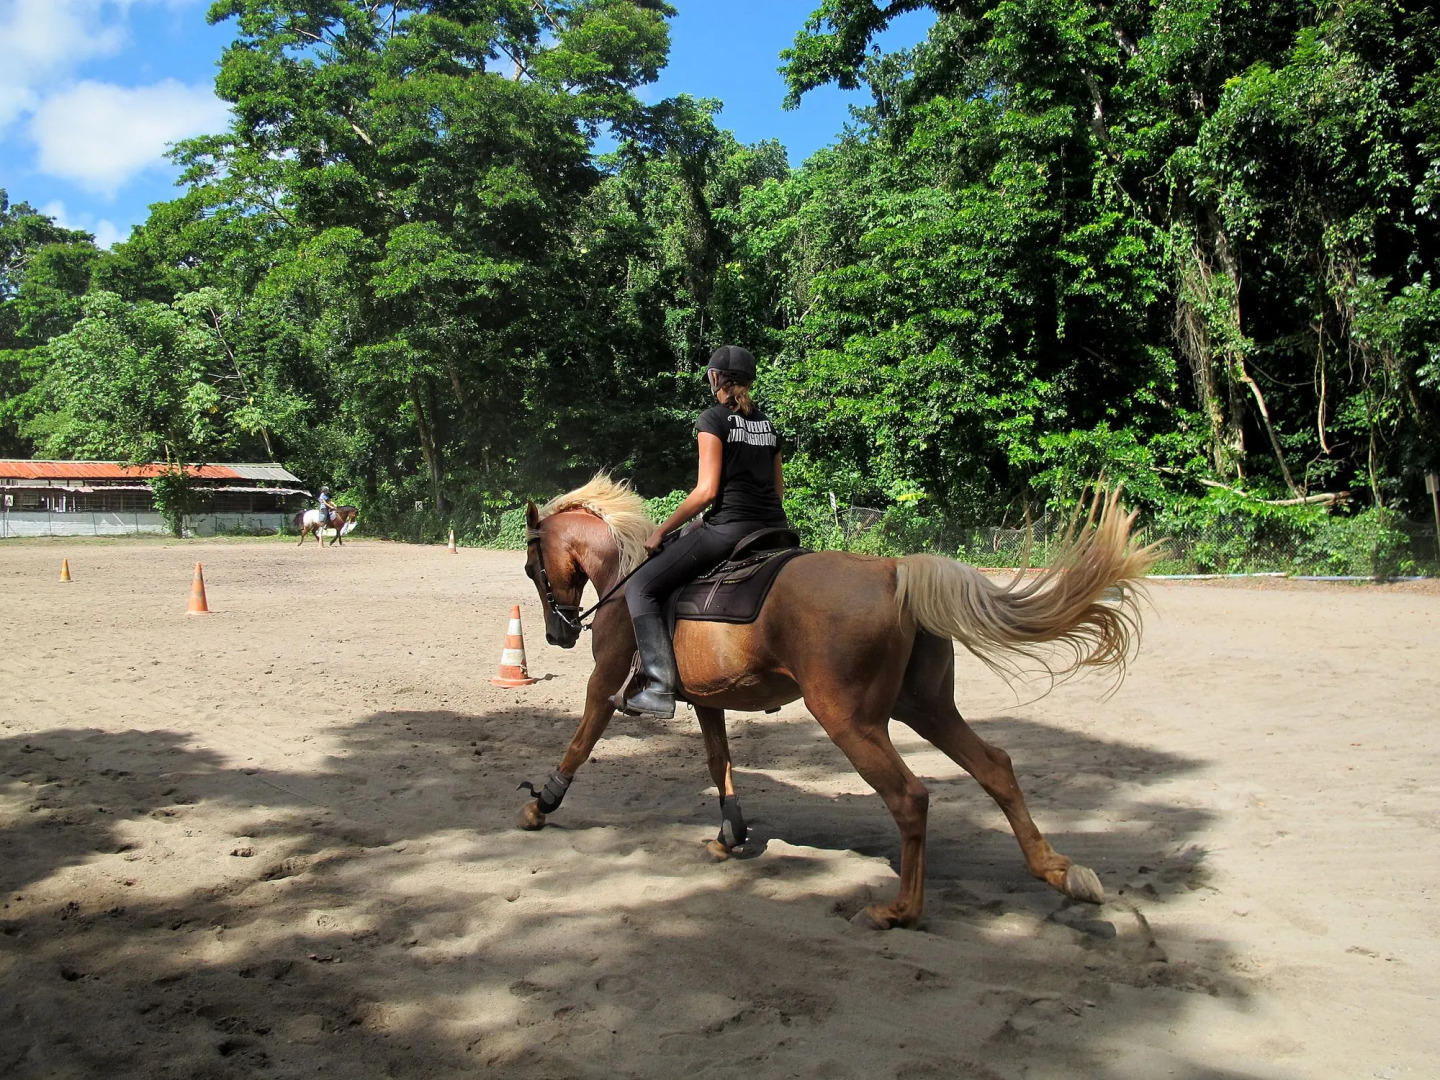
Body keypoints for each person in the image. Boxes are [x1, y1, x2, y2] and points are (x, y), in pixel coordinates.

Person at [615, 345, 789, 719]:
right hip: (776, 530)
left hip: (730, 530)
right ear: (750, 381)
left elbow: (706, 491)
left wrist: (661, 530)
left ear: (714, 378)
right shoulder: (770, 427)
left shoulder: (712, 419)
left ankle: (659, 686)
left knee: (640, 587)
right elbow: (777, 492)